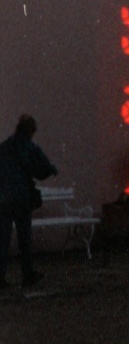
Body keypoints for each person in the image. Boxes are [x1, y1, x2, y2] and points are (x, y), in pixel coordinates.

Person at [0, 115, 58, 289]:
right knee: (25, 237)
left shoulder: (5, 147)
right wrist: (51, 170)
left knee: (3, 238)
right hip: (21, 197)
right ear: (31, 131)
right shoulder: (30, 147)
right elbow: (43, 169)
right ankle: (27, 273)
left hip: (3, 197)